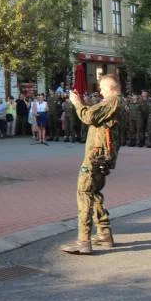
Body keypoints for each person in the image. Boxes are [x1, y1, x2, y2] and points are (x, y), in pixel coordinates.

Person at [61, 74, 122, 255]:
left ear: (111, 87)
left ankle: (84, 241)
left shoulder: (113, 102)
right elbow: (95, 115)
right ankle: (104, 235)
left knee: (84, 193)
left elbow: (88, 117)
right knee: (94, 193)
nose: (100, 91)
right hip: (102, 155)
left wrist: (77, 102)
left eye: (102, 88)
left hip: (96, 157)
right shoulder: (116, 103)